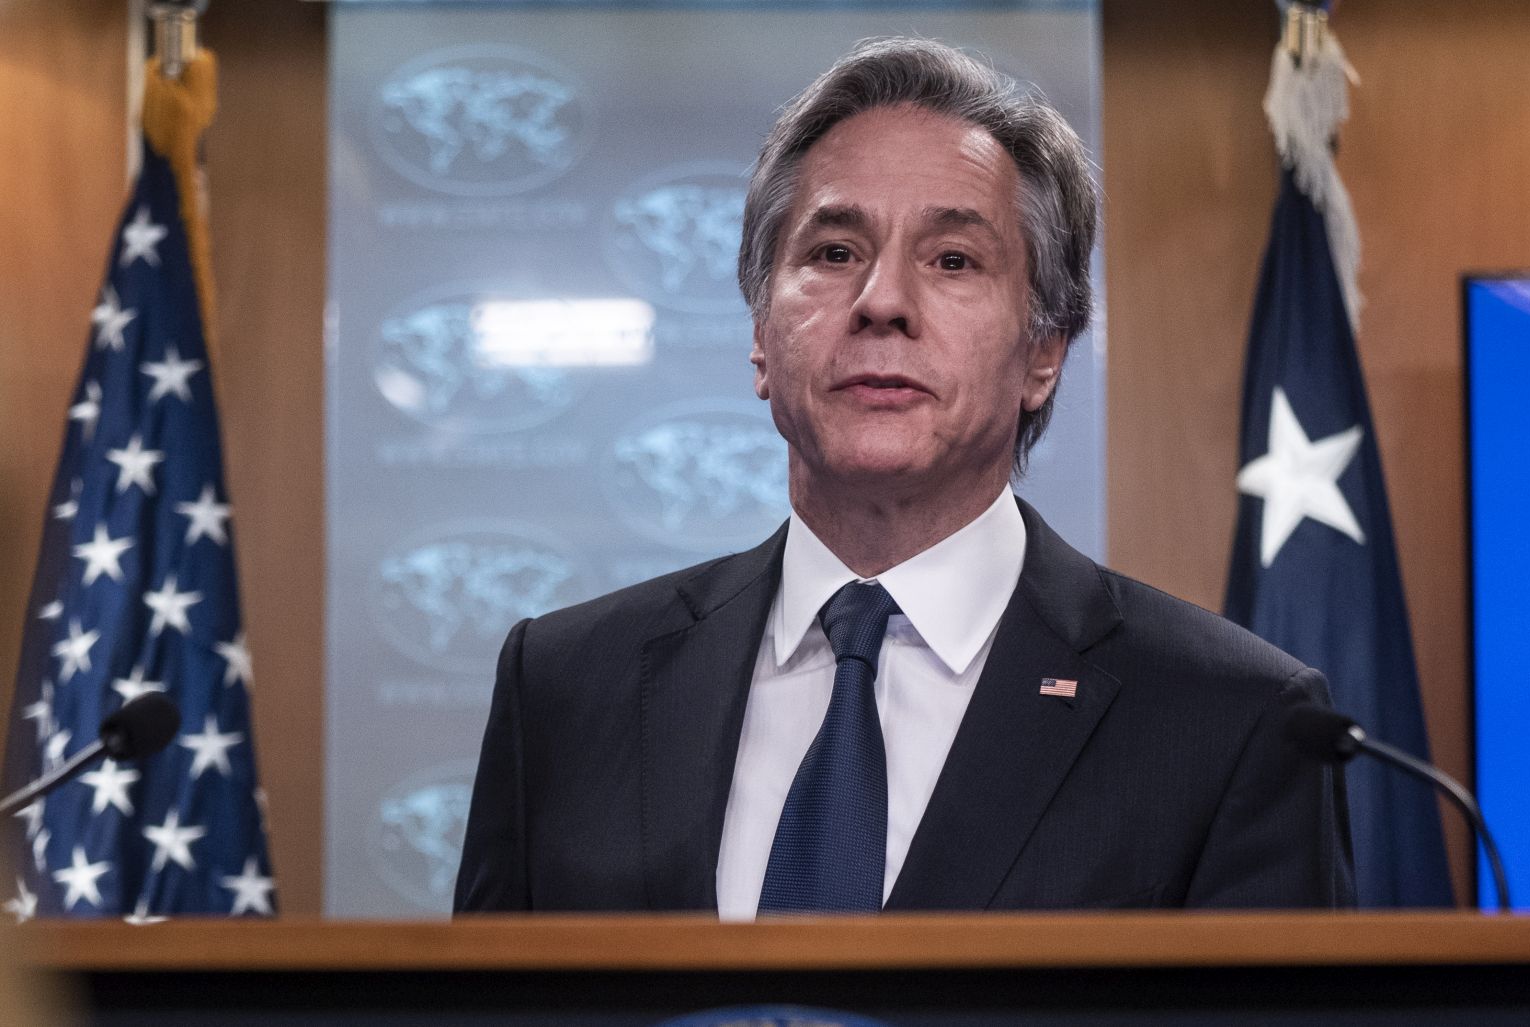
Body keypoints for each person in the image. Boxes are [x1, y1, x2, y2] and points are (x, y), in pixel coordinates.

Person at [454, 37, 1354, 917]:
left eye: (953, 260)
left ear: (1044, 350)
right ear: (762, 335)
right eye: (834, 253)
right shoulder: (564, 690)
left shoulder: (1230, 720)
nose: (881, 301)